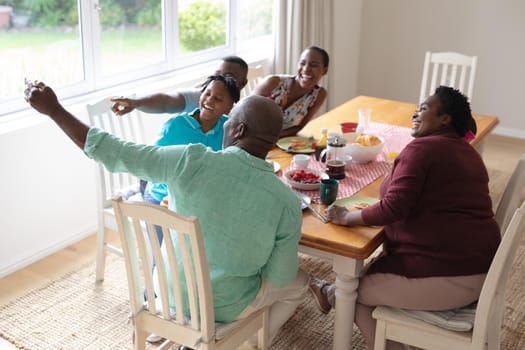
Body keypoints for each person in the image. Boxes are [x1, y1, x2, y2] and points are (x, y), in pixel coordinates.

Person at [25, 82, 309, 347]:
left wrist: (54, 110)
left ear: (239, 129)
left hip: (168, 292)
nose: (224, 126)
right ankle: (249, 344)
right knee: (300, 282)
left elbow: (114, 151)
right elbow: (280, 276)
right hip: (225, 308)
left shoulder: (189, 160)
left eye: (229, 120)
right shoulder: (286, 202)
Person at [309, 86, 501, 350]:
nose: (415, 113)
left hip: (449, 278)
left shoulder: (422, 150)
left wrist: (347, 217)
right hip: (480, 270)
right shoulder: (467, 152)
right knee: (357, 282)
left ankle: (330, 294)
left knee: (350, 293)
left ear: (445, 118)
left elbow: (394, 208)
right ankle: (329, 292)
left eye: (423, 108)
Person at [142, 74, 239, 230]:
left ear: (229, 108)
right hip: (162, 197)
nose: (209, 100)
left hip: (201, 199)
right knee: (165, 252)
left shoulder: (228, 128)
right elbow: (151, 165)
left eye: (218, 99)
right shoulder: (174, 127)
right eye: (207, 94)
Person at [110, 55, 248, 117]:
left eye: (228, 76)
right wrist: (137, 102)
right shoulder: (199, 98)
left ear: (243, 84)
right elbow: (165, 101)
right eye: (217, 74)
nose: (220, 80)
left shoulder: (240, 113)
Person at [253, 45, 329, 138]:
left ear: (324, 71)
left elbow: (299, 127)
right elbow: (243, 113)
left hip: (280, 142)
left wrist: (273, 138)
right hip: (252, 139)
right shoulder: (273, 82)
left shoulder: (319, 95)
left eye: (313, 65)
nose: (306, 69)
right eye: (302, 63)